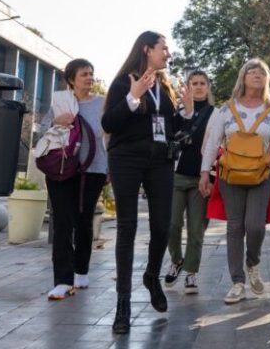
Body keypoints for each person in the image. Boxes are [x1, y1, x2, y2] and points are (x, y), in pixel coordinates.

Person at [101, 31, 192, 334]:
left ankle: (152, 276)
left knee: (163, 226)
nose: (168, 53)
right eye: (163, 48)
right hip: (126, 159)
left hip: (160, 161)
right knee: (127, 228)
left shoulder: (164, 88)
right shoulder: (123, 82)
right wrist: (133, 96)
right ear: (146, 50)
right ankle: (123, 303)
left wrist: (187, 110)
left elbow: (171, 128)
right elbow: (109, 123)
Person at [198, 58, 270, 305]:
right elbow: (213, 143)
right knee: (235, 226)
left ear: (267, 79)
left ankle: (253, 262)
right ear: (243, 77)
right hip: (231, 175)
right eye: (252, 71)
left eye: (262, 72)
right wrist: (205, 172)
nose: (257, 74)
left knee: (255, 226)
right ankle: (237, 282)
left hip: (262, 176)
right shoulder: (227, 109)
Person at [40, 58, 108, 300]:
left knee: (84, 220)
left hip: (93, 169)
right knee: (62, 222)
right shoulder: (60, 102)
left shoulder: (102, 103)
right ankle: (62, 280)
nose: (89, 78)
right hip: (61, 169)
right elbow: (42, 131)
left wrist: (110, 168)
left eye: (91, 73)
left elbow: (110, 136)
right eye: (84, 74)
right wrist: (55, 121)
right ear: (71, 79)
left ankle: (81, 270)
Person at [164, 70, 215, 294]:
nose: (198, 86)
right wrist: (185, 112)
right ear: (188, 87)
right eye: (194, 83)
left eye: (202, 83)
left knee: (196, 230)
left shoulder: (216, 114)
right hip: (177, 176)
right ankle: (176, 260)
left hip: (201, 178)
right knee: (172, 224)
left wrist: (212, 178)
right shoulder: (179, 113)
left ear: (208, 87)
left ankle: (191, 272)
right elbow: (169, 136)